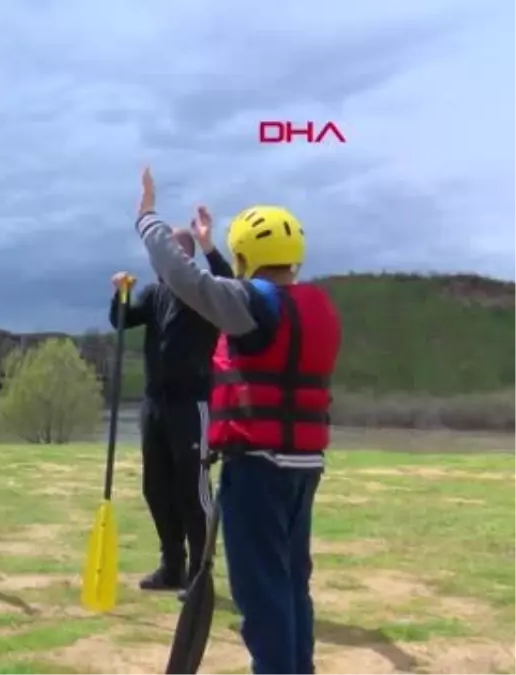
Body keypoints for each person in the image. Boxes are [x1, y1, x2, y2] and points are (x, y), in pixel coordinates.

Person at [134, 168, 341, 675]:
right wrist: (208, 247)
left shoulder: (254, 306)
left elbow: (190, 282)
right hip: (304, 466)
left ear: (246, 257)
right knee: (292, 584)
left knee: (262, 593)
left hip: (259, 471)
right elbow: (235, 294)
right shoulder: (316, 307)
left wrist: (147, 218)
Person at [110, 210, 233, 594]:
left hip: (191, 404)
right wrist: (121, 293)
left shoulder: (205, 291)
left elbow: (230, 280)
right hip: (155, 405)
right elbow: (121, 321)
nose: (159, 262)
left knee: (192, 490)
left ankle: (200, 572)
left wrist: (211, 245)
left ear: (185, 258)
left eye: (169, 254)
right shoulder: (154, 293)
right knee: (156, 487)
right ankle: (172, 566)